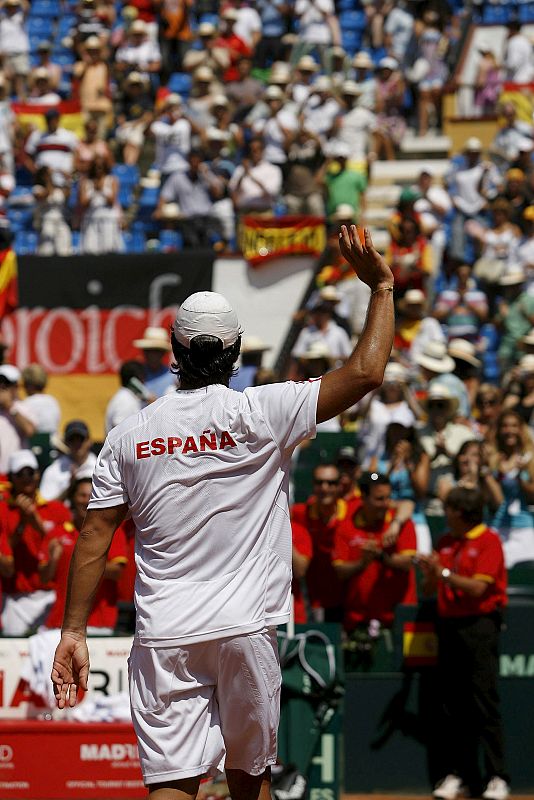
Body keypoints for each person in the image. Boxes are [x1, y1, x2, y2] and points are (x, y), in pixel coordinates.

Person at [50, 226, 395, 800]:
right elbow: (366, 372)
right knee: (249, 781)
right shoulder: (264, 411)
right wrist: (380, 288)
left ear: (174, 352)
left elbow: (94, 535)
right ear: (235, 354)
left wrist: (73, 631)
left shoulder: (128, 434)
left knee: (171, 785)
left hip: (164, 633)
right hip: (244, 625)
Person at [418, 486, 509, 800]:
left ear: (461, 513)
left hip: (479, 626)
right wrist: (431, 573)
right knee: (451, 705)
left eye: (449, 509)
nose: (444, 514)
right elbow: (429, 590)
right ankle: (459, 775)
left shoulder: (489, 541)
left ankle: (497, 776)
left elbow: (477, 589)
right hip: (448, 626)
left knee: (484, 701)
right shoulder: (445, 541)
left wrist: (442, 572)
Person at [39, 474, 128, 635]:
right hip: (59, 622)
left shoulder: (113, 531)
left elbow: (117, 572)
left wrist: (84, 559)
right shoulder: (56, 533)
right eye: (82, 495)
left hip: (98, 623)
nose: (87, 500)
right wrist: (54, 560)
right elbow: (44, 578)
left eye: (91, 495)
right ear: (73, 499)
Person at [332, 472, 417, 634]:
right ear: (363, 497)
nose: (386, 503)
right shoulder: (347, 526)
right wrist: (363, 562)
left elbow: (407, 563)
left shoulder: (399, 522)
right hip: (358, 618)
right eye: (379, 499)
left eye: (388, 497)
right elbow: (340, 570)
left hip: (397, 618)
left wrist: (379, 555)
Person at [0, 449, 70, 636]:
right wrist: (22, 523)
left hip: (49, 595)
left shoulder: (57, 509)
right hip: (15, 599)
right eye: (20, 474)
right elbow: (5, 556)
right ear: (11, 478)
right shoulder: (3, 510)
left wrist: (35, 520)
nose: (26, 478)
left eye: (30, 472)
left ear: (38, 475)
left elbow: (60, 545)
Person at [291, 462, 348, 622]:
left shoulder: (352, 511)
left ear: (340, 486)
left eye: (331, 483)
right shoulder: (300, 513)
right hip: (313, 599)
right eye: (319, 482)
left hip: (348, 599)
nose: (325, 488)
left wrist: (396, 523)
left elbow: (405, 504)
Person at [39, 420, 97, 502]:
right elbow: (47, 506)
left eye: (81, 439)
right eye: (72, 439)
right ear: (66, 442)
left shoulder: (100, 467)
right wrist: (70, 488)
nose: (77, 443)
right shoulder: (53, 470)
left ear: (89, 441)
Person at [0, 365, 37, 474]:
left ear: (15, 387)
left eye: (5, 386)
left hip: (15, 473)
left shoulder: (22, 407)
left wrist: (10, 407)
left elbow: (29, 430)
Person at [105, 360, 153, 434]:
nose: (145, 382)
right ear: (135, 381)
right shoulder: (125, 400)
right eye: (143, 377)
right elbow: (120, 430)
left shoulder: (128, 397)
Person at [132, 325, 176, 397]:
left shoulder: (173, 376)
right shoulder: (136, 374)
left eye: (156, 351)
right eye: (148, 350)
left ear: (163, 353)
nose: (152, 355)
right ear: (144, 352)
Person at [20, 364, 61, 436]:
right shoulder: (53, 401)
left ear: (29, 385)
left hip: (34, 441)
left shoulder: (27, 403)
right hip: (52, 441)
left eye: (25, 384)